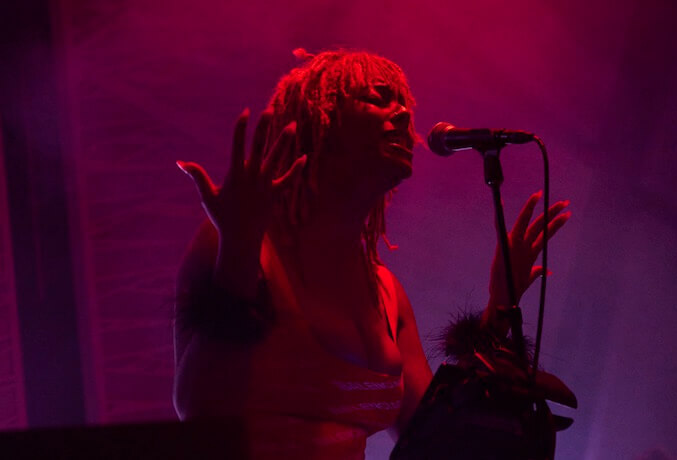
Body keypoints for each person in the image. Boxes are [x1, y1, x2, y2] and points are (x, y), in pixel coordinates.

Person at [172, 49, 570, 459]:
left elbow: (431, 438)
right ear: (321, 119)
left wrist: (499, 308)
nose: (401, 114)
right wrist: (239, 247)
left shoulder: (385, 290)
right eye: (379, 98)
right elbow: (199, 406)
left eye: (403, 104)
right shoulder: (243, 241)